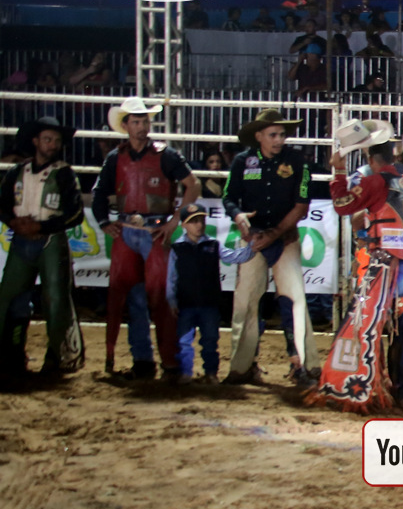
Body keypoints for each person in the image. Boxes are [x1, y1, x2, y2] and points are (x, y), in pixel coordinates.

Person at [312, 119, 403, 410]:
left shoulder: (376, 180)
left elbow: (343, 204)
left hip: (383, 263)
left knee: (364, 321)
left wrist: (338, 171)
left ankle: (360, 385)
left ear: (371, 158)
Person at [93, 98, 198, 380]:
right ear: (126, 125)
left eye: (144, 121)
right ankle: (145, 361)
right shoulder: (116, 158)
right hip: (131, 230)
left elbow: (193, 185)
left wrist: (175, 220)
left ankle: (167, 361)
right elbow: (100, 192)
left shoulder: (165, 155)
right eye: (136, 122)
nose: (142, 127)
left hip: (153, 231)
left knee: (160, 296)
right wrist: (104, 222)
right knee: (136, 298)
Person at [222, 110, 315, 386]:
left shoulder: (297, 161)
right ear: (259, 136)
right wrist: (238, 215)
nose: (279, 140)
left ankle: (304, 366)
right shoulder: (242, 161)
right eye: (273, 135)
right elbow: (229, 198)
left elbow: (302, 205)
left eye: (282, 135)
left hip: (280, 238)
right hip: (257, 238)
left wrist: (272, 234)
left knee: (293, 301)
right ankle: (242, 367)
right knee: (246, 302)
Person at [0, 117, 86, 385]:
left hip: (50, 241)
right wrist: (13, 222)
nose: (53, 145)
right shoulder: (17, 171)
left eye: (57, 141)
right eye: (48, 139)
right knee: (10, 298)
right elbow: (2, 203)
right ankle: (12, 355)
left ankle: (57, 358)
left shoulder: (64, 173)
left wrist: (40, 226)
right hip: (25, 238)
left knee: (56, 300)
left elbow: (76, 213)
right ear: (36, 141)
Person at [164, 204, 254, 386]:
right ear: (184, 225)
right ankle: (187, 374)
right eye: (194, 221)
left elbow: (236, 257)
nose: (199, 225)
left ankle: (210, 373)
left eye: (201, 220)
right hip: (186, 302)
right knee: (184, 341)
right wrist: (171, 301)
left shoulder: (213, 244)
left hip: (208, 303)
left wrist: (253, 246)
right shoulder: (177, 248)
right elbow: (171, 278)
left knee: (210, 341)